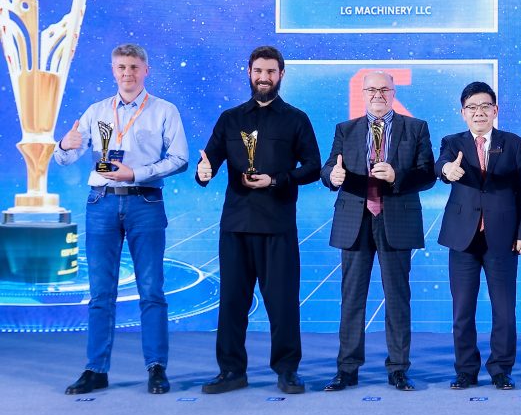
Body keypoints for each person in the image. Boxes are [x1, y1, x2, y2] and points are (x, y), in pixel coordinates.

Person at [56, 43, 188, 395]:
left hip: (145, 201)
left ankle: (156, 368)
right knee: (100, 292)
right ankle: (95, 369)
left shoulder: (164, 110)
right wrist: (65, 145)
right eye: (121, 67)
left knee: (151, 289)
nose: (127, 73)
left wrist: (135, 173)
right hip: (101, 202)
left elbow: (180, 159)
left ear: (146, 70)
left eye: (133, 67)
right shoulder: (96, 111)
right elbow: (66, 159)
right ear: (113, 71)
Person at [195, 45, 321, 395]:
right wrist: (203, 173)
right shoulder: (230, 119)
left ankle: (287, 371)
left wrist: (277, 180)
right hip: (235, 226)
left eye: (270, 71)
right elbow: (209, 162)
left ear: (281, 75)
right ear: (249, 73)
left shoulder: (296, 119)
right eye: (258, 71)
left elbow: (313, 166)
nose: (264, 77)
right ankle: (231, 371)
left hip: (277, 225)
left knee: (282, 303)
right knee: (232, 303)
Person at [321, 71, 435, 392]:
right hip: (354, 220)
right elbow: (329, 167)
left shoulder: (416, 128)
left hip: (396, 218)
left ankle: (398, 368)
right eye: (371, 89)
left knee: (397, 297)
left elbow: (428, 174)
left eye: (384, 89)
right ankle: (347, 369)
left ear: (393, 92)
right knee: (351, 297)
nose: (377, 94)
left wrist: (397, 175)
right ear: (362, 93)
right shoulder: (346, 129)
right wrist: (332, 177)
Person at [435, 82, 521, 391]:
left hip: (502, 237)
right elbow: (441, 165)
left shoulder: (513, 143)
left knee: (504, 309)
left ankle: (501, 369)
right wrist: (446, 171)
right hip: (462, 237)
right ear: (463, 113)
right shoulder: (452, 142)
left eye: (485, 106)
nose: (479, 113)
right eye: (472, 108)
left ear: (495, 110)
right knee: (462, 309)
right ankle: (466, 370)